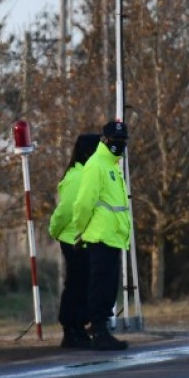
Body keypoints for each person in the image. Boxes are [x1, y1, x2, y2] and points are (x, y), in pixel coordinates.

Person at [72, 120, 131, 352]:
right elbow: (83, 203)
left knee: (108, 286)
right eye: (114, 140)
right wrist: (80, 231)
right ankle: (98, 330)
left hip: (113, 236)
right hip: (100, 236)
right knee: (101, 285)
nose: (119, 145)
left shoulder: (112, 165)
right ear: (104, 140)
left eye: (123, 141)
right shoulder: (97, 165)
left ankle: (101, 328)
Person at [49, 132, 100, 349]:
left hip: (83, 238)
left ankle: (78, 327)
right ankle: (72, 328)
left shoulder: (84, 173)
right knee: (77, 284)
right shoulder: (78, 176)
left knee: (83, 283)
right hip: (75, 238)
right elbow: (67, 209)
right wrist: (55, 230)